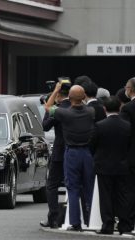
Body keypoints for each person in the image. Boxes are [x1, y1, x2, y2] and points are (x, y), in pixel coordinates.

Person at [45, 83, 95, 231]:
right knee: (88, 188)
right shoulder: (91, 111)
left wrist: (55, 91)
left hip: (72, 152)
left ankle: (76, 223)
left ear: (69, 98)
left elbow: (47, 107)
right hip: (87, 153)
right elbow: (83, 103)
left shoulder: (64, 113)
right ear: (84, 97)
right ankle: (91, 219)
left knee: (72, 188)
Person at [90, 96, 132, 235]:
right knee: (123, 196)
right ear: (120, 108)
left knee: (106, 196)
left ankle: (107, 225)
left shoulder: (100, 125)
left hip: (104, 166)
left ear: (104, 109)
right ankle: (124, 225)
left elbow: (92, 145)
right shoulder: (127, 126)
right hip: (123, 165)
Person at [40, 83, 71, 229]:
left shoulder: (58, 110)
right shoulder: (77, 107)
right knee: (74, 185)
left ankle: (53, 217)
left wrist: (52, 96)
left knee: (52, 185)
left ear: (58, 95)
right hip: (75, 150)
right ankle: (73, 216)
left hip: (60, 151)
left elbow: (45, 125)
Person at [120, 77, 135, 233]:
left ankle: (128, 224)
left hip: (131, 155)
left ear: (130, 90)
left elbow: (124, 133)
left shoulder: (128, 108)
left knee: (129, 191)